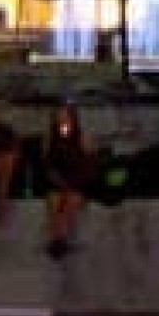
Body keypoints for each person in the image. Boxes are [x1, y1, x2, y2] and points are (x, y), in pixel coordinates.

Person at [40, 104, 103, 257]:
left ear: (72, 119)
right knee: (54, 202)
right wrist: (55, 177)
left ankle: (60, 239)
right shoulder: (50, 137)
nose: (62, 119)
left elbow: (89, 164)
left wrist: (74, 181)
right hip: (57, 180)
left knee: (71, 202)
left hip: (77, 181)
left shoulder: (82, 137)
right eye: (58, 117)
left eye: (65, 116)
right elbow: (47, 163)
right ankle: (57, 239)